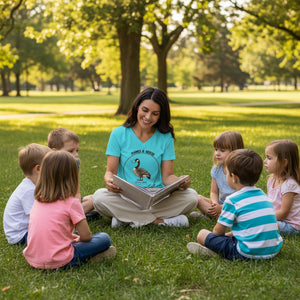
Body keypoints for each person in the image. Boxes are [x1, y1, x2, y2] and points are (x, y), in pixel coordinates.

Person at [84, 87, 198, 228]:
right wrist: (109, 180)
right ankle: (160, 222)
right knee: (99, 197)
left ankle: (126, 219)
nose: (148, 117)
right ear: (137, 107)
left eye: (155, 114)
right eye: (145, 110)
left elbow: (168, 176)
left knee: (191, 196)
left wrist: (179, 182)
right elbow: (110, 172)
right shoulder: (118, 134)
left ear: (160, 116)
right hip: (127, 196)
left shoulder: (165, 137)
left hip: (156, 197)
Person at [23, 151, 116, 269]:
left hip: (34, 259)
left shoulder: (38, 200)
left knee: (70, 235)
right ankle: (92, 258)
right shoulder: (71, 203)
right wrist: (80, 239)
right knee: (104, 238)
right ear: (72, 178)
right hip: (61, 260)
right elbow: (86, 236)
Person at [187, 149, 283, 260]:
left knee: (202, 234)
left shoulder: (232, 201)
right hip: (273, 250)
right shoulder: (263, 197)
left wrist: (215, 239)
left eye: (227, 174)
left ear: (234, 177)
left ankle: (215, 251)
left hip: (246, 253)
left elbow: (218, 232)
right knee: (237, 233)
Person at [3, 143, 51, 245]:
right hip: (20, 235)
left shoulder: (33, 185)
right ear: (38, 169)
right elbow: (40, 218)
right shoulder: (29, 191)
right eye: (51, 166)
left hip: (26, 230)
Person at [48, 128, 99, 218]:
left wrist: (76, 206)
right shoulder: (48, 170)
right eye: (71, 151)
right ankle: (77, 217)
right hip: (54, 208)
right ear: (54, 152)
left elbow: (76, 193)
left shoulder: (74, 164)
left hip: (69, 203)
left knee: (94, 198)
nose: (76, 155)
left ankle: (78, 216)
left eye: (77, 151)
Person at [194, 131, 244, 218]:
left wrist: (222, 207)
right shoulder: (217, 169)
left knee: (238, 210)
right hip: (221, 204)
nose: (217, 153)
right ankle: (217, 215)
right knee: (197, 198)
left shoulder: (240, 171)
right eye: (216, 149)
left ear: (235, 152)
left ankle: (216, 216)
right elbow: (214, 192)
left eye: (222, 150)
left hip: (236, 206)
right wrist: (215, 204)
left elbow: (242, 196)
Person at [264, 139, 300, 235]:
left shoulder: (289, 185)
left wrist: (265, 218)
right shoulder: (272, 179)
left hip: (290, 224)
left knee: (262, 225)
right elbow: (268, 202)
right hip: (276, 218)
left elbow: (284, 212)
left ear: (284, 162)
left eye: (269, 158)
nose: (265, 161)